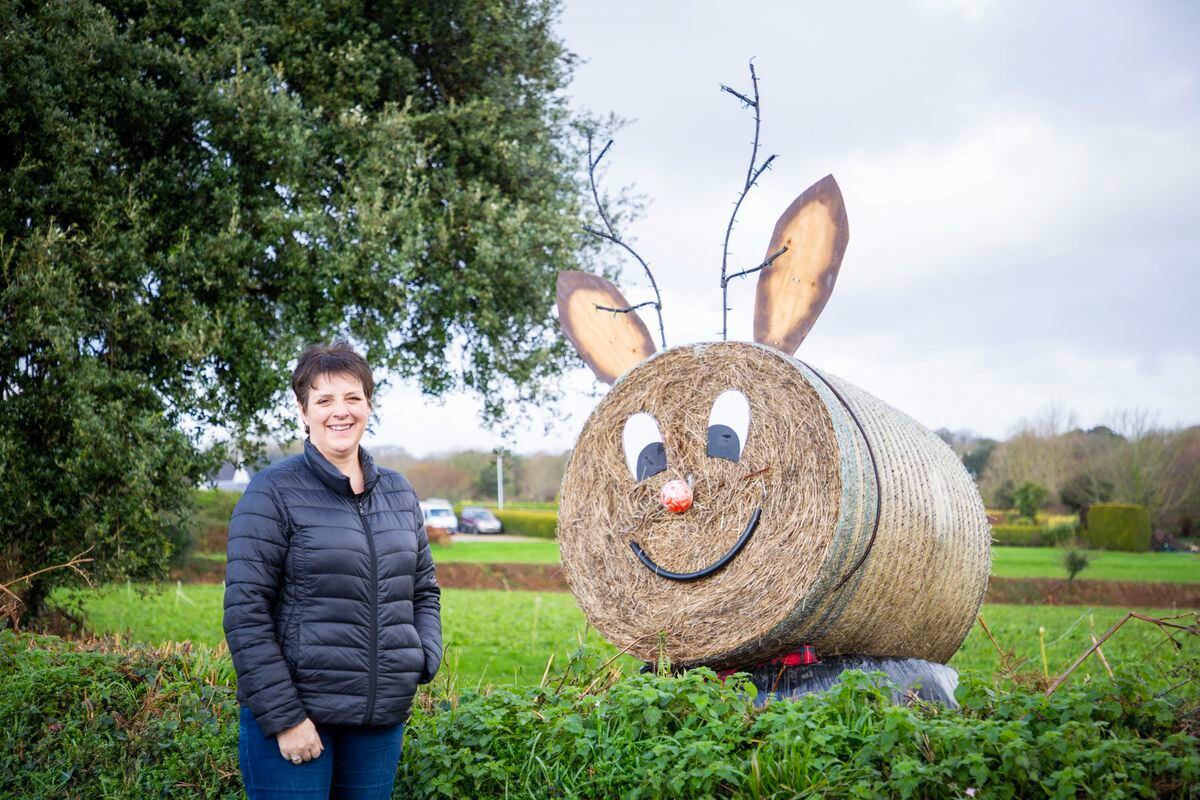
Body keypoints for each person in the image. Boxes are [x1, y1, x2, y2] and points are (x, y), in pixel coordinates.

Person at [223, 342, 441, 799]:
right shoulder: (271, 493)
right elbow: (246, 613)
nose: (339, 412)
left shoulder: (399, 493)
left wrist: (422, 656)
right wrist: (286, 718)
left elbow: (424, 589)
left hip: (378, 724)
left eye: (352, 398)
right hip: (298, 721)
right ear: (303, 412)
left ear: (368, 406)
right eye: (324, 400)